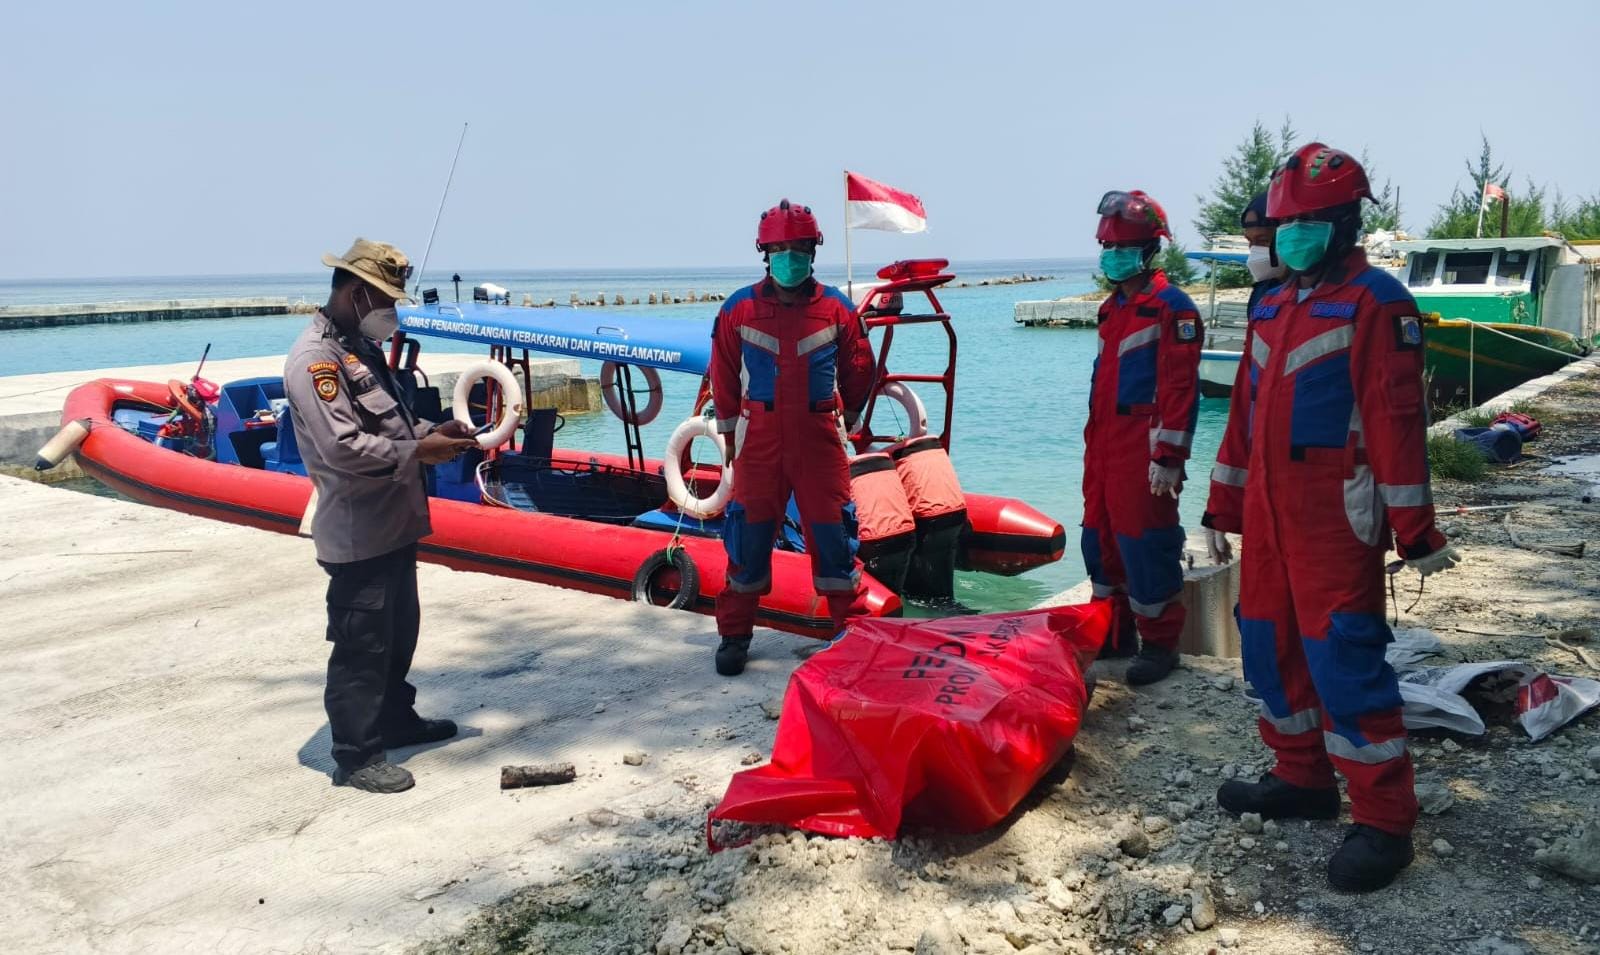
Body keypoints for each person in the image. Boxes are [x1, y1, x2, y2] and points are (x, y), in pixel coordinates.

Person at [1203, 144, 1461, 891]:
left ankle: (1384, 823)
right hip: (1267, 515)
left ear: (1344, 223)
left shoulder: (1377, 303)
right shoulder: (1274, 305)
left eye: (1307, 223)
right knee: (1269, 651)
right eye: (1283, 224)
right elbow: (1243, 422)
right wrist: (1221, 506)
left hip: (1334, 516)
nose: (1290, 237)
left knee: (1344, 663)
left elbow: (1396, 425)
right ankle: (1302, 778)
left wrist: (1417, 533)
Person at [285, 238, 479, 793]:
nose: (392, 312)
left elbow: (388, 423)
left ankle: (395, 718)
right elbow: (342, 446)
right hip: (358, 528)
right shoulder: (316, 360)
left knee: (398, 633)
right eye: (385, 299)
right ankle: (357, 754)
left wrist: (430, 433)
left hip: (394, 522)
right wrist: (417, 453)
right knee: (361, 646)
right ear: (356, 293)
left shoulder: (356, 350)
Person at [708, 200, 877, 676]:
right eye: (780, 250)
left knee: (834, 536)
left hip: (819, 438)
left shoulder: (836, 310)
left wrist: (851, 416)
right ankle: (735, 635)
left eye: (797, 249)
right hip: (759, 439)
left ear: (812, 252)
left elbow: (859, 369)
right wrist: (727, 435)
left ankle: (851, 631)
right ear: (765, 253)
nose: (789, 258)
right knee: (748, 536)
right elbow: (722, 374)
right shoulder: (739, 309)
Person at [1081, 189, 1203, 685]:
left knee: (1145, 543)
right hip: (1104, 449)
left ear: (1149, 250)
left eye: (1122, 247)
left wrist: (1170, 455)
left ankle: (1159, 645)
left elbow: (1180, 386)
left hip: (1145, 449)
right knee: (1100, 539)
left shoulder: (1173, 307)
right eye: (1108, 248)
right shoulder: (1112, 309)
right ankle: (1114, 635)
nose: (1112, 256)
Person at [1240, 192, 1287, 313]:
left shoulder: (1310, 290)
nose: (1254, 249)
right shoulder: (1260, 292)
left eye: (1262, 240)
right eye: (1250, 241)